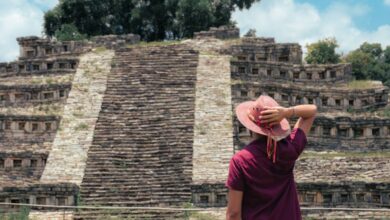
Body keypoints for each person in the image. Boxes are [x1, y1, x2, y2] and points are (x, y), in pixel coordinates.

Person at [226, 95, 317, 220]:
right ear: (277, 126)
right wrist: (287, 112)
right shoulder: (289, 150)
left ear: (249, 127)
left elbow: (233, 214)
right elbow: (312, 111)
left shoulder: (240, 161)